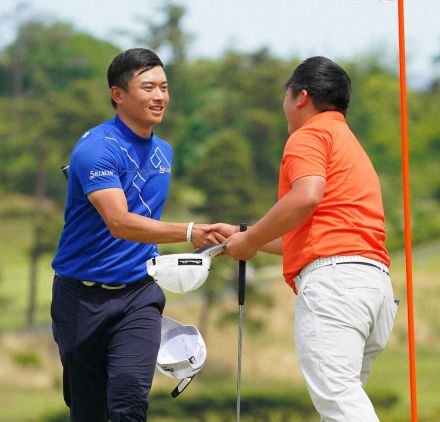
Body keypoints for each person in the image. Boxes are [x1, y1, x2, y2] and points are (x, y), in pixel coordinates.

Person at [214, 56, 398, 421]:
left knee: (340, 401)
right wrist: (244, 235)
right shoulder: (349, 143)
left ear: (301, 97)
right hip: (372, 287)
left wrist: (248, 245)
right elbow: (305, 236)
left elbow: (307, 195)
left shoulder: (309, 134)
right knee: (342, 404)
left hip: (336, 287)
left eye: (286, 96)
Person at [51, 48, 221, 421]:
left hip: (138, 294)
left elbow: (142, 219)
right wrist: (189, 230)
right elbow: (119, 221)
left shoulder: (164, 152)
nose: (159, 96)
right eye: (148, 87)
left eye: (164, 87)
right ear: (118, 94)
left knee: (129, 401)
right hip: (79, 299)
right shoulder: (95, 148)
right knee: (88, 410)